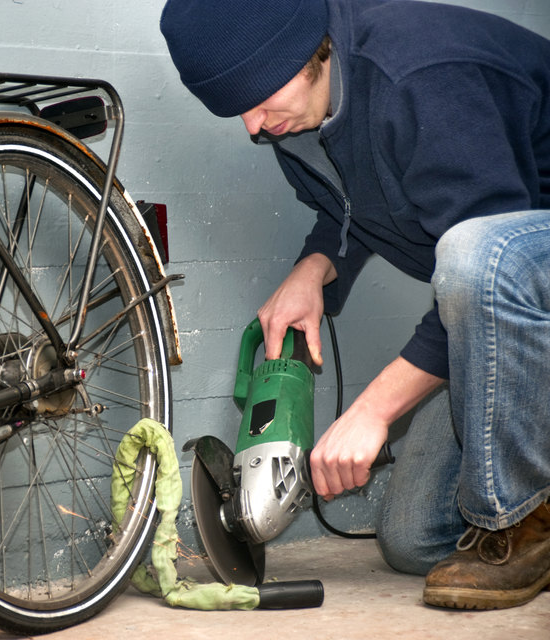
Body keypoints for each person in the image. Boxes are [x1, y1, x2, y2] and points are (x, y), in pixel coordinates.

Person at [160, 0, 550, 610]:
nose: (252, 126)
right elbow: (349, 205)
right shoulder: (300, 112)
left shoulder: (420, 74)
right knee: (415, 540)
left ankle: (524, 521)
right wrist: (315, 269)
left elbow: (495, 266)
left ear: (308, 51)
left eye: (259, 99)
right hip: (514, 297)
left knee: (477, 254)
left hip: (521, 265)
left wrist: (373, 410)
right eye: (235, 109)